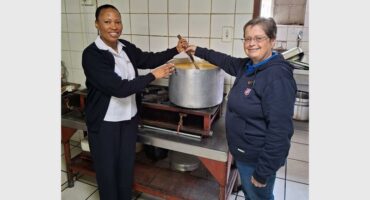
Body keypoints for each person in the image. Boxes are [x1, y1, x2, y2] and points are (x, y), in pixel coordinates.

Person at [81, 4, 188, 200]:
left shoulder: (125, 47)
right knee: (107, 173)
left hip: (128, 119)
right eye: (107, 21)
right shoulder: (92, 55)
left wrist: (175, 50)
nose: (114, 26)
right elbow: (119, 88)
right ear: (97, 24)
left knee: (125, 167)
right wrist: (153, 76)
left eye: (117, 21)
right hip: (105, 124)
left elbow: (147, 59)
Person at [186, 17, 297, 200]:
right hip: (245, 153)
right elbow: (224, 60)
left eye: (258, 38)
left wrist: (263, 172)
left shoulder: (277, 78)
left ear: (272, 40)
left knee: (258, 196)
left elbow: (280, 132)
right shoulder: (248, 66)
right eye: (247, 38)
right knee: (250, 194)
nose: (251, 43)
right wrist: (197, 50)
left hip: (257, 159)